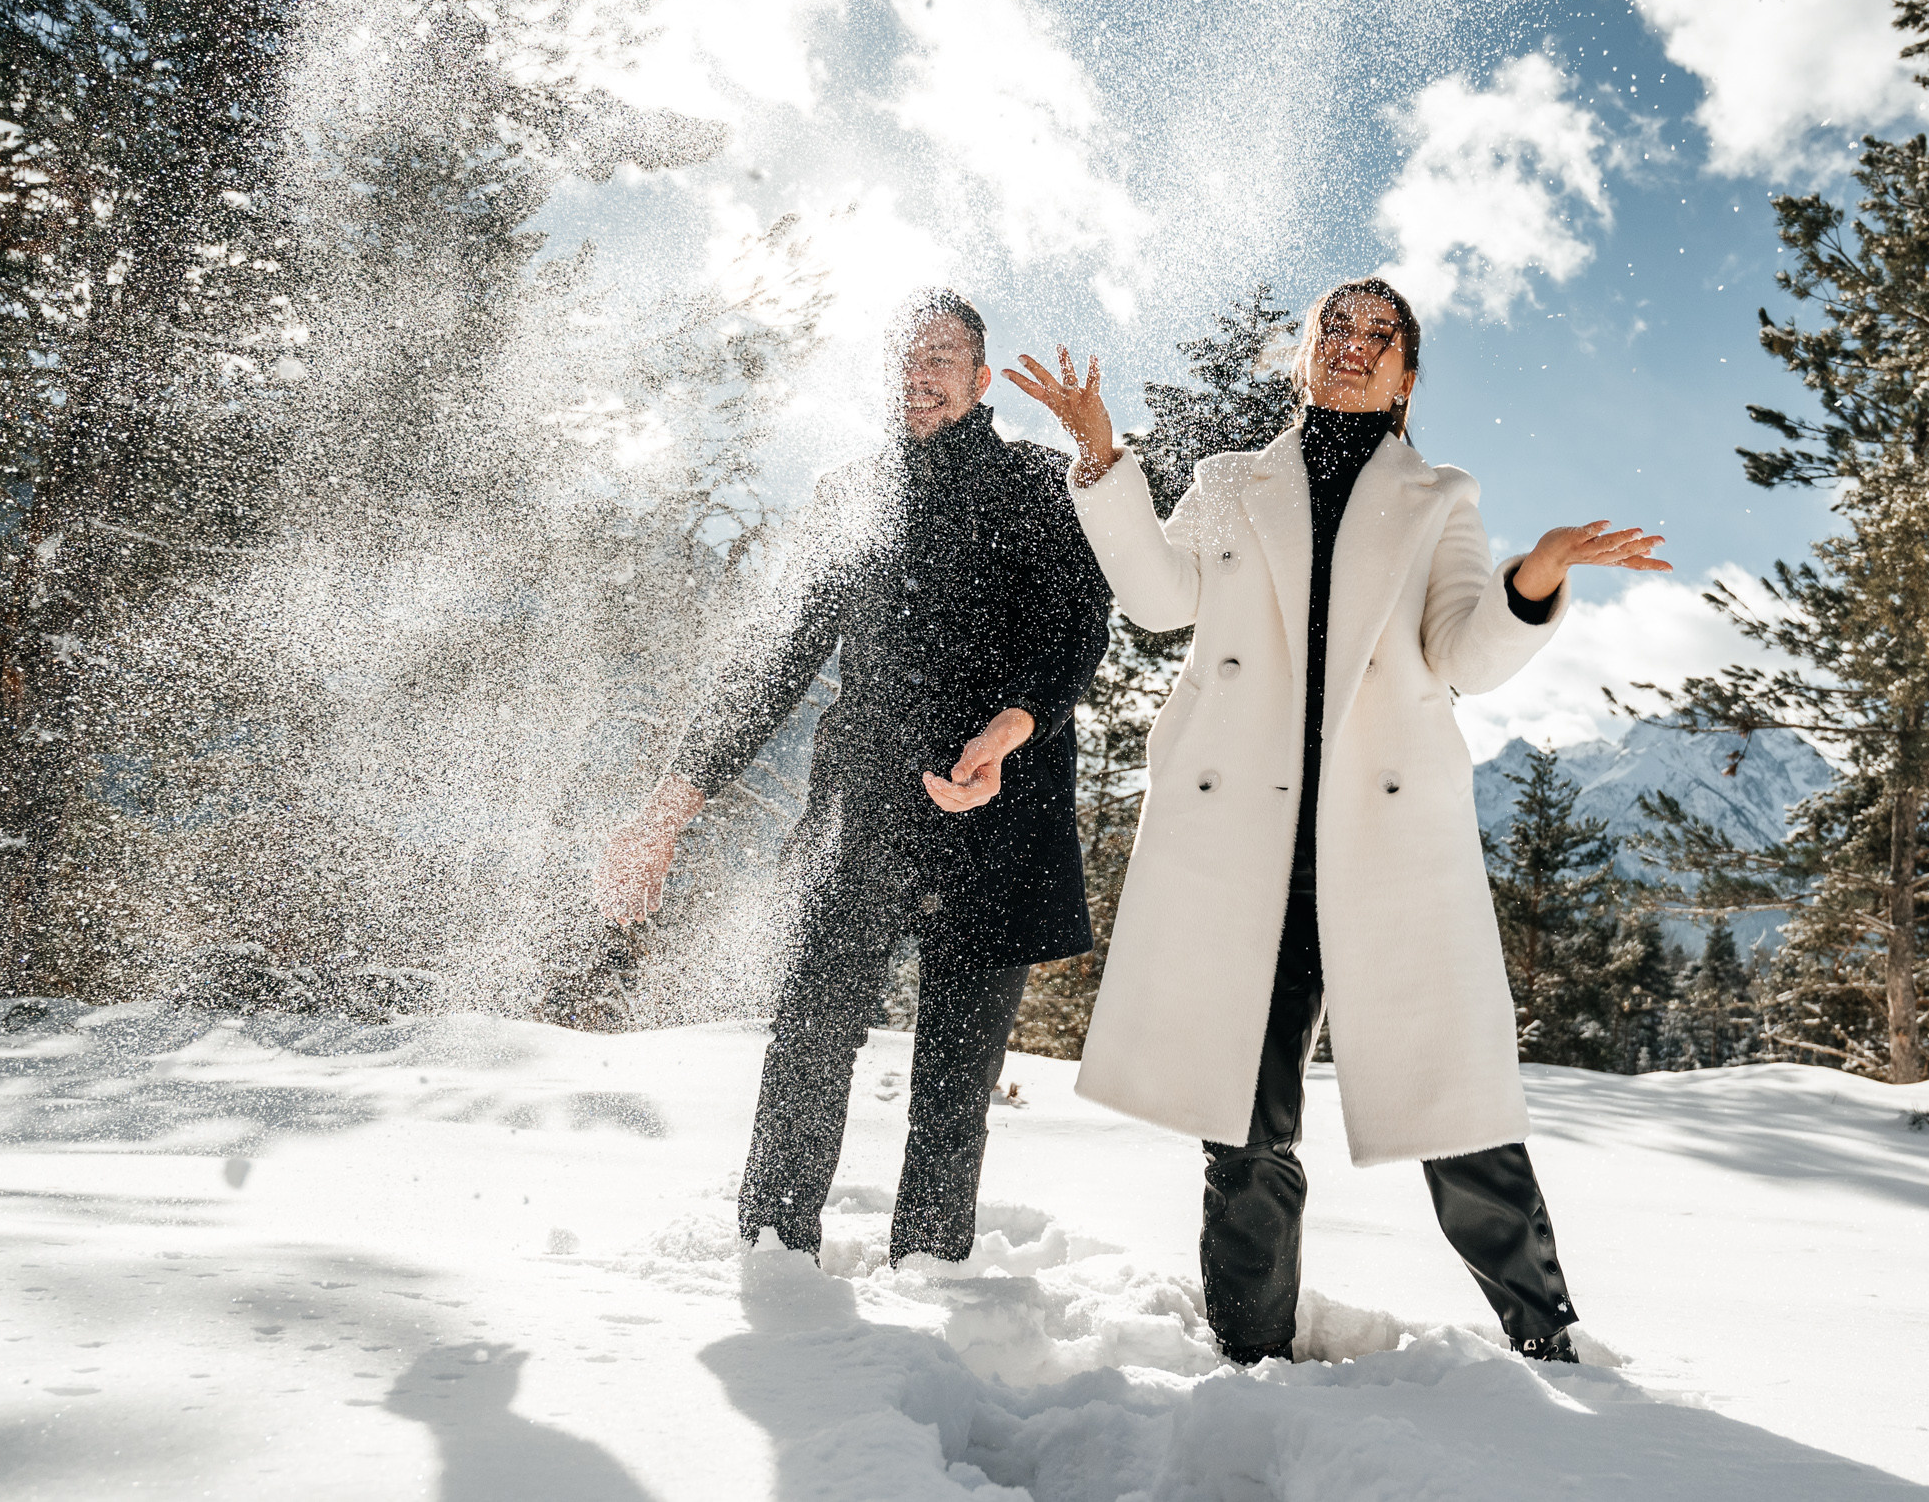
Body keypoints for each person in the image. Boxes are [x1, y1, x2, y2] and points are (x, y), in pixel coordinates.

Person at [1006, 276, 1668, 1366]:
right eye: (1335, 328)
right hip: (1245, 856)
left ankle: (1547, 1343)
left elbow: (1460, 653)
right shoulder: (1227, 483)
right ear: (1304, 353)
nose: (1352, 345)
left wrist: (1536, 575)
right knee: (1247, 1124)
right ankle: (1251, 1356)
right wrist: (1100, 458)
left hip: (1384, 847)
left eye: (1380, 335)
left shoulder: (1439, 497)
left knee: (1457, 1112)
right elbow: (1163, 599)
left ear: (1408, 374)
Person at [596, 288, 1110, 1265]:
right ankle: (773, 1257)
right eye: (906, 355)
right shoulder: (850, 494)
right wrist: (666, 810)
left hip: (1001, 809)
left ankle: (931, 1275)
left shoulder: (1044, 485)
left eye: (943, 355)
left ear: (980, 375)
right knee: (807, 1040)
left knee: (953, 1086)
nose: (920, 373)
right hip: (860, 809)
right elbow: (775, 658)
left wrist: (1008, 730)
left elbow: (1076, 631)